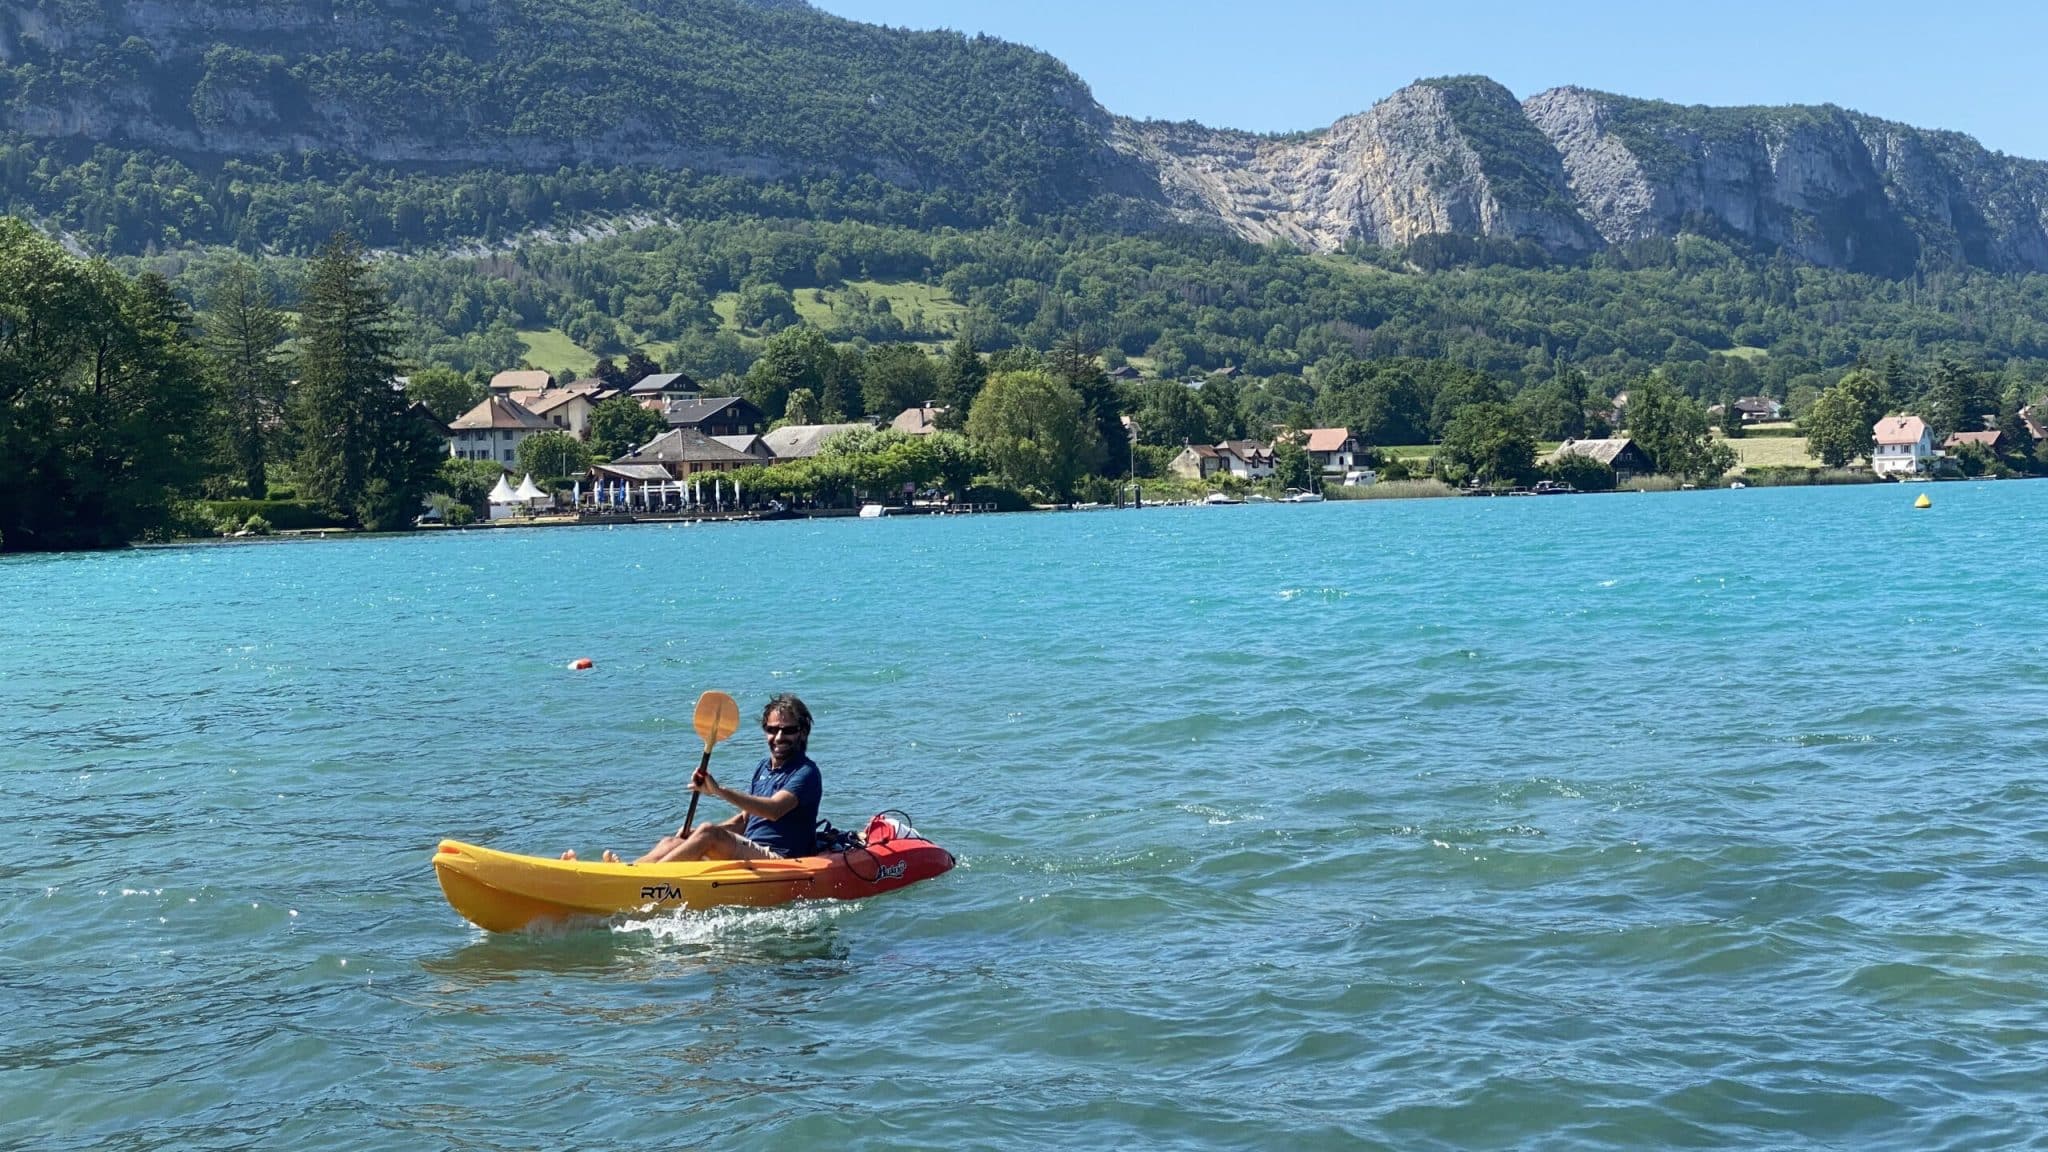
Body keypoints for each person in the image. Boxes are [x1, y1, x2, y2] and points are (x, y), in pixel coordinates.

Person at [563, 694, 823, 864]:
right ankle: (627, 871)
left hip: (781, 860)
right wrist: (695, 835)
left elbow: (774, 810)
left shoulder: (806, 773)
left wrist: (719, 791)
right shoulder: (763, 767)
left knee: (708, 832)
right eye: (772, 729)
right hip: (749, 848)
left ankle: (643, 882)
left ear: (802, 733)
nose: (779, 737)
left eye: (788, 730)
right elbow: (744, 820)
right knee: (674, 840)